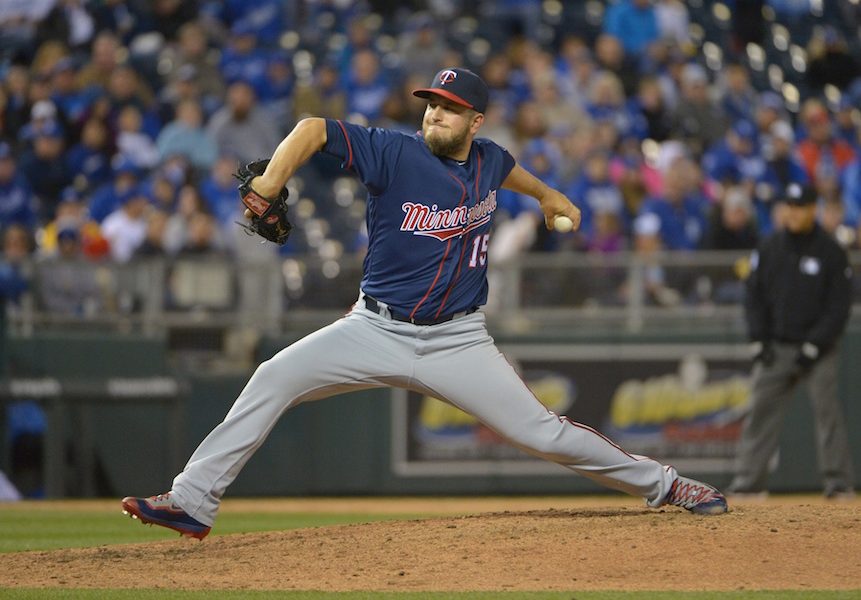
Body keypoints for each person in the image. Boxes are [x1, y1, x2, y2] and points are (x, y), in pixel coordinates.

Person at [122, 68, 728, 540]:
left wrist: (549, 197)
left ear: (475, 122)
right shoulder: (393, 152)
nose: (435, 114)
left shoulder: (490, 159)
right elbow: (311, 131)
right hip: (374, 327)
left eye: (450, 109)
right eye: (432, 105)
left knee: (544, 433)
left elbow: (514, 175)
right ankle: (193, 502)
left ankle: (669, 486)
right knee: (273, 375)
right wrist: (270, 185)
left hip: (459, 341)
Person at [729, 183, 854, 500]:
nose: (794, 212)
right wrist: (758, 339)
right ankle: (748, 483)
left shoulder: (830, 250)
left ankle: (838, 483)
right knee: (759, 413)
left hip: (818, 349)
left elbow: (839, 306)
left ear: (814, 209)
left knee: (828, 413)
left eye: (800, 206)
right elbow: (753, 297)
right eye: (790, 206)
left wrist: (815, 344)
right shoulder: (770, 247)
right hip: (777, 347)